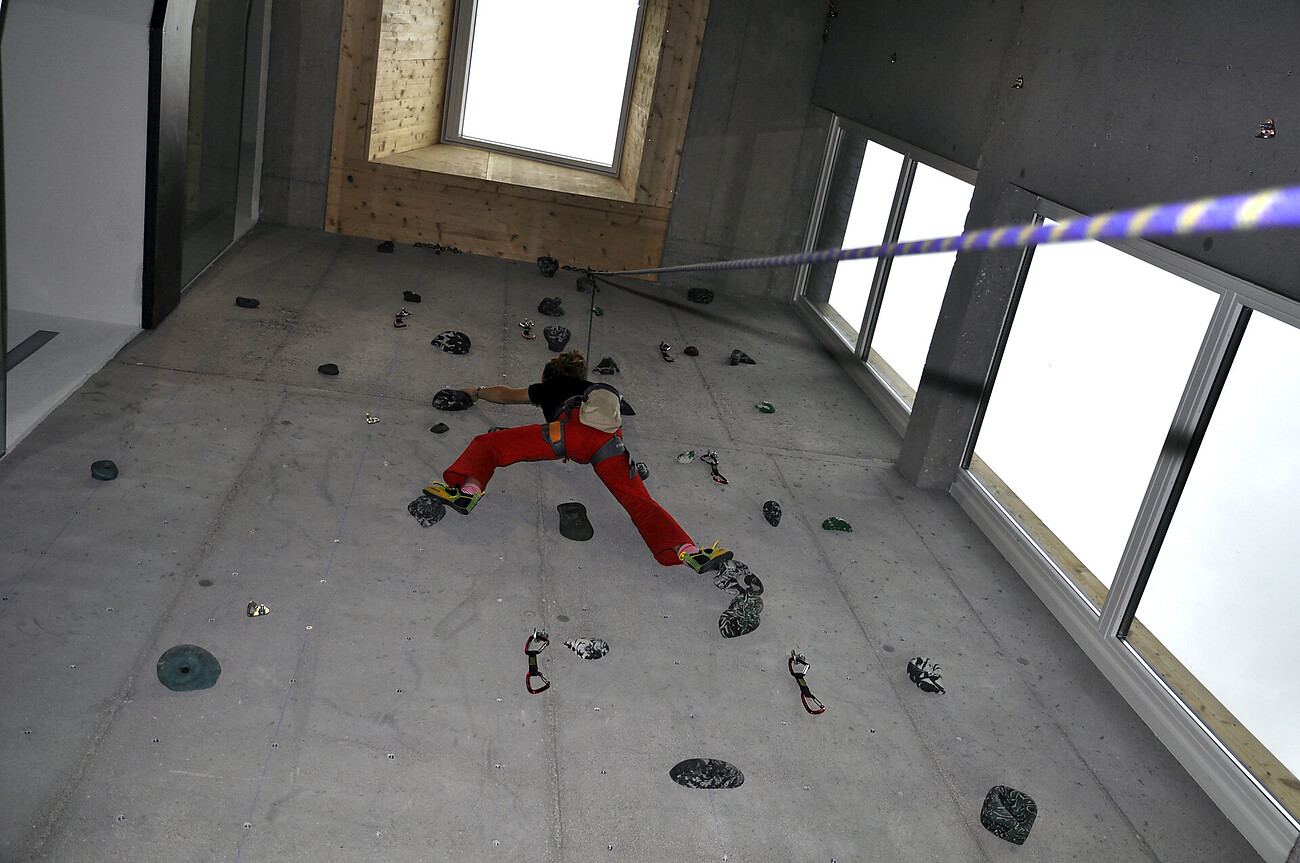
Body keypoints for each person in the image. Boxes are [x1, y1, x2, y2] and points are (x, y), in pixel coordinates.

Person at [424, 350, 732, 573]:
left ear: (548, 375)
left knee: (489, 444)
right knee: (641, 503)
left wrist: (475, 392)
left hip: (566, 433)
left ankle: (468, 492)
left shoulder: (547, 387)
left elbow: (506, 396)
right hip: (608, 444)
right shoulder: (596, 391)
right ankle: (688, 551)